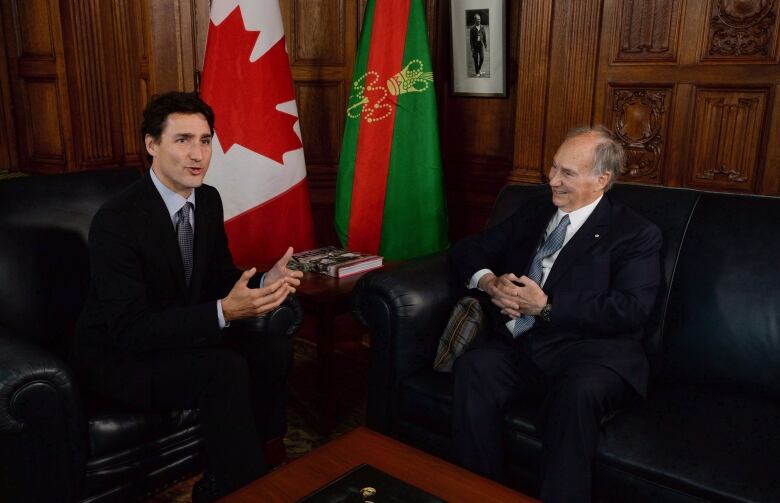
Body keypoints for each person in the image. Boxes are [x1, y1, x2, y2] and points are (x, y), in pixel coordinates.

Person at [70, 92, 303, 502]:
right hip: (120, 356)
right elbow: (130, 330)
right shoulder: (117, 221)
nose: (198, 154)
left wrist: (265, 281)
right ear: (151, 145)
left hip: (178, 336)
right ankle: (242, 491)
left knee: (272, 348)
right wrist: (222, 313)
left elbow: (219, 278)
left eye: (206, 140)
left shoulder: (208, 200)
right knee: (223, 368)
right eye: (182, 140)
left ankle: (263, 461)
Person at [450, 126, 662, 503]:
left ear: (602, 180)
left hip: (590, 355)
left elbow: (630, 310)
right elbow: (470, 249)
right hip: (523, 346)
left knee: (575, 396)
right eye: (553, 168)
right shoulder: (536, 210)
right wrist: (488, 282)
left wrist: (545, 307)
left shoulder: (635, 233)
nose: (552, 181)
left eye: (567, 173)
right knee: (474, 368)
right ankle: (478, 493)